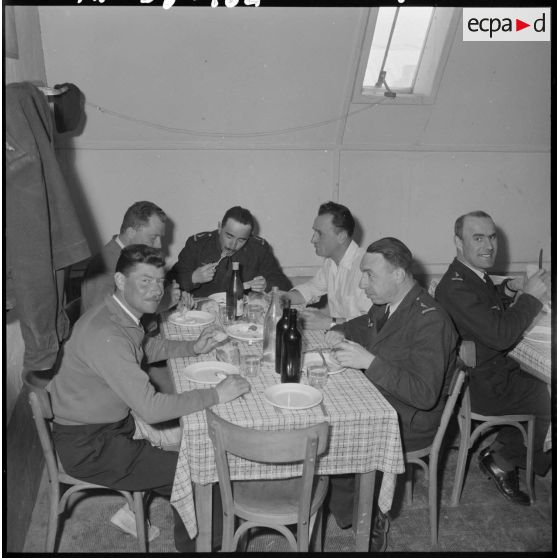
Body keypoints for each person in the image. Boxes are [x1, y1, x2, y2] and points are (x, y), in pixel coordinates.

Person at [49, 245, 250, 551]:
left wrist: (192, 349)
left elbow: (146, 349)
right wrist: (216, 393)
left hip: (107, 425)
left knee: (195, 441)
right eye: (145, 281)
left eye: (159, 281)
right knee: (197, 470)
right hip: (90, 446)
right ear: (119, 280)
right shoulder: (109, 335)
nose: (156, 290)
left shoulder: (116, 313)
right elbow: (153, 410)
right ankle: (202, 546)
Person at [324, 237, 457, 552]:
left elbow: (425, 394)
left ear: (398, 274)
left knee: (328, 430)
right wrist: (339, 330)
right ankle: (337, 501)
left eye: (370, 274)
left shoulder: (430, 319)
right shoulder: (387, 303)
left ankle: (370, 518)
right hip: (381, 398)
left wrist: (369, 362)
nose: (362, 282)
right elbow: (366, 325)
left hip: (410, 419)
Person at [435, 210, 550, 506]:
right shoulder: (455, 287)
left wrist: (508, 289)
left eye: (492, 237)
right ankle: (504, 458)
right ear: (458, 242)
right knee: (550, 394)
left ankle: (506, 449)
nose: (489, 245)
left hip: (484, 375)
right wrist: (531, 298)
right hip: (483, 387)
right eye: (478, 238)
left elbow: (483, 306)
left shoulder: (467, 276)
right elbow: (500, 335)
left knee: (544, 382)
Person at [81, 200, 180, 313]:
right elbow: (106, 320)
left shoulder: (132, 258)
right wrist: (160, 304)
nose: (159, 245)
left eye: (160, 238)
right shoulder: (104, 267)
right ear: (131, 233)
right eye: (153, 238)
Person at [171, 206, 292, 297]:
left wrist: (267, 285)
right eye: (229, 236)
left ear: (249, 236)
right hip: (201, 314)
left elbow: (284, 285)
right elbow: (170, 281)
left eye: (241, 240)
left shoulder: (259, 249)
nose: (233, 245)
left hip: (241, 315)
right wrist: (193, 278)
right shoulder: (198, 245)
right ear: (219, 228)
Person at [287, 201, 371, 329]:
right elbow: (312, 288)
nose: (312, 239)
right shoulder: (330, 262)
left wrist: (330, 322)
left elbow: (372, 323)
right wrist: (283, 297)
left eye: (319, 233)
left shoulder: (366, 267)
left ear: (341, 236)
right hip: (340, 337)